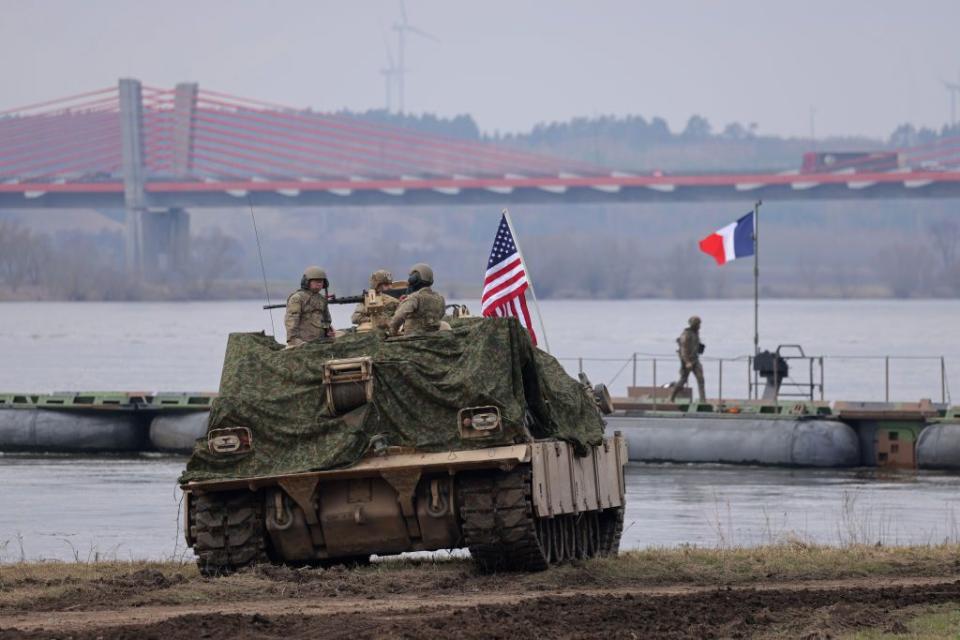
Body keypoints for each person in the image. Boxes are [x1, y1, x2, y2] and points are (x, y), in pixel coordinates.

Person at [388, 262, 445, 336]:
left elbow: (398, 318)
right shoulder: (440, 299)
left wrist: (392, 332)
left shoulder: (415, 298)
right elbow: (440, 315)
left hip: (413, 340)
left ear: (414, 280)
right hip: (432, 339)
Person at [284, 266, 333, 347]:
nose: (319, 283)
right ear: (307, 282)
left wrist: (328, 330)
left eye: (321, 281)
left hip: (320, 341)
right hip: (303, 341)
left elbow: (326, 319)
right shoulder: (297, 298)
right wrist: (293, 339)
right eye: (316, 280)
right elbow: (291, 320)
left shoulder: (321, 299)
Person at [668, 315, 706, 402]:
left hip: (695, 359)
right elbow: (683, 350)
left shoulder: (696, 333)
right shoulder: (686, 335)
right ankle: (672, 397)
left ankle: (703, 400)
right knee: (683, 380)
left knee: (701, 379)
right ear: (694, 324)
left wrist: (699, 347)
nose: (699, 326)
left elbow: (695, 344)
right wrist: (687, 362)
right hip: (687, 361)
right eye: (698, 324)